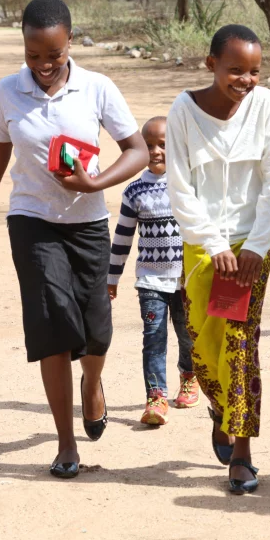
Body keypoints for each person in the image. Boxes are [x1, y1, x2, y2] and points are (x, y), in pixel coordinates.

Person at [0, 0, 148, 479]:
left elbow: (138, 149)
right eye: (33, 55)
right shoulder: (7, 92)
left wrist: (96, 183)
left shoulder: (97, 88)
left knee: (96, 330)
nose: (43, 65)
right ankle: (65, 444)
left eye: (53, 55)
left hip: (88, 223)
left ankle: (93, 384)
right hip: (32, 222)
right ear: (23, 46)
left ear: (70, 44)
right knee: (52, 328)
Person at [166, 24, 270, 495]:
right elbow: (180, 186)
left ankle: (242, 452)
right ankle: (220, 408)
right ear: (211, 64)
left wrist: (255, 246)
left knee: (240, 346)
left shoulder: (266, 106)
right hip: (203, 249)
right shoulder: (183, 111)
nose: (246, 80)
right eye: (236, 69)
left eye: (255, 71)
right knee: (204, 348)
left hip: (251, 248)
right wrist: (213, 245)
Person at [108, 116, 200, 426]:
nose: (157, 151)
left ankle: (189, 375)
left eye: (163, 144)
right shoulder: (134, 192)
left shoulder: (190, 184)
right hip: (150, 279)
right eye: (148, 146)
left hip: (188, 280)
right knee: (153, 337)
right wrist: (112, 278)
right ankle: (156, 397)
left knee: (188, 336)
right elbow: (122, 238)